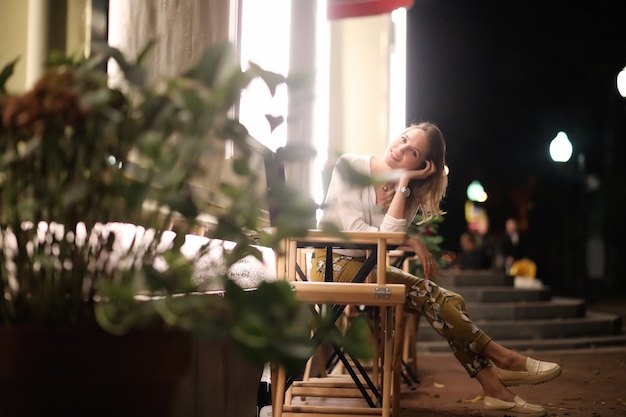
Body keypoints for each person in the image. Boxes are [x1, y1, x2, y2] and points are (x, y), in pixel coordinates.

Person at [313, 122, 560, 417]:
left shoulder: (408, 195)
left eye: (412, 152)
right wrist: (406, 237)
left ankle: (497, 391)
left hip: (366, 271)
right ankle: (501, 359)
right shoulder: (350, 166)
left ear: (422, 165)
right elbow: (369, 235)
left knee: (450, 300)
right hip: (329, 266)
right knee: (431, 295)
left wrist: (403, 183)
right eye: (404, 139)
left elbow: (382, 242)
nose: (400, 149)